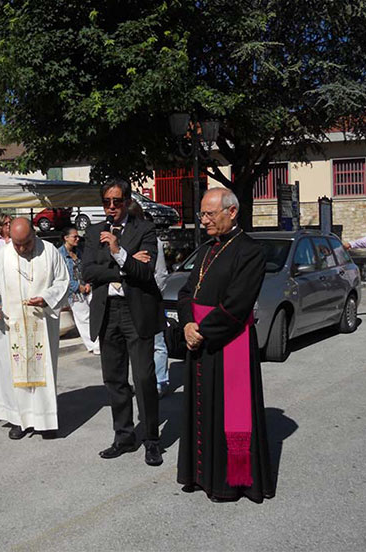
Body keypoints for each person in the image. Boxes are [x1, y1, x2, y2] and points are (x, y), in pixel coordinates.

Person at [175, 187, 274, 503]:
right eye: (202, 213)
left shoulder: (250, 251)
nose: (203, 220)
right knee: (203, 411)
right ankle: (201, 476)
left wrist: (202, 330)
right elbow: (186, 293)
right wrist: (188, 323)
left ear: (232, 212)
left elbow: (238, 303)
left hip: (227, 341)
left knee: (230, 414)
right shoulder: (206, 249)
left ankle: (230, 483)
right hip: (199, 341)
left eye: (209, 214)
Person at [81, 178, 163, 466]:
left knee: (143, 378)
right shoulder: (93, 232)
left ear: (127, 201)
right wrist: (124, 267)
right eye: (106, 202)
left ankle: (152, 439)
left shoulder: (145, 229)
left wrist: (117, 251)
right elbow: (88, 271)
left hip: (136, 310)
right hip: (107, 311)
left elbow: (146, 272)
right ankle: (123, 436)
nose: (112, 207)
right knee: (114, 379)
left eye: (117, 201)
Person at [0, 217, 69, 439]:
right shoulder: (3, 255)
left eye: (26, 243)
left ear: (34, 235)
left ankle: (45, 421)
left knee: (42, 372)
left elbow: (63, 281)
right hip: (10, 326)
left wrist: (46, 298)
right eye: (17, 244)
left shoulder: (50, 252)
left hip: (41, 325)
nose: (22, 248)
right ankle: (18, 420)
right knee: (13, 374)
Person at [127, 200, 171, 397]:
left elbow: (160, 273)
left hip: (150, 297)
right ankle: (140, 380)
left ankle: (160, 380)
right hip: (130, 299)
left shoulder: (154, 241)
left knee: (157, 343)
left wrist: (154, 294)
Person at [58, 226, 99, 355]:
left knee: (94, 314)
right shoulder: (60, 254)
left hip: (87, 287)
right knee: (83, 318)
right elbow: (61, 276)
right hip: (74, 292)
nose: (77, 239)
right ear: (66, 238)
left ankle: (96, 342)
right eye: (74, 236)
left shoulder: (79, 251)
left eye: (78, 236)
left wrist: (87, 283)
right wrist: (77, 286)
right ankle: (93, 344)